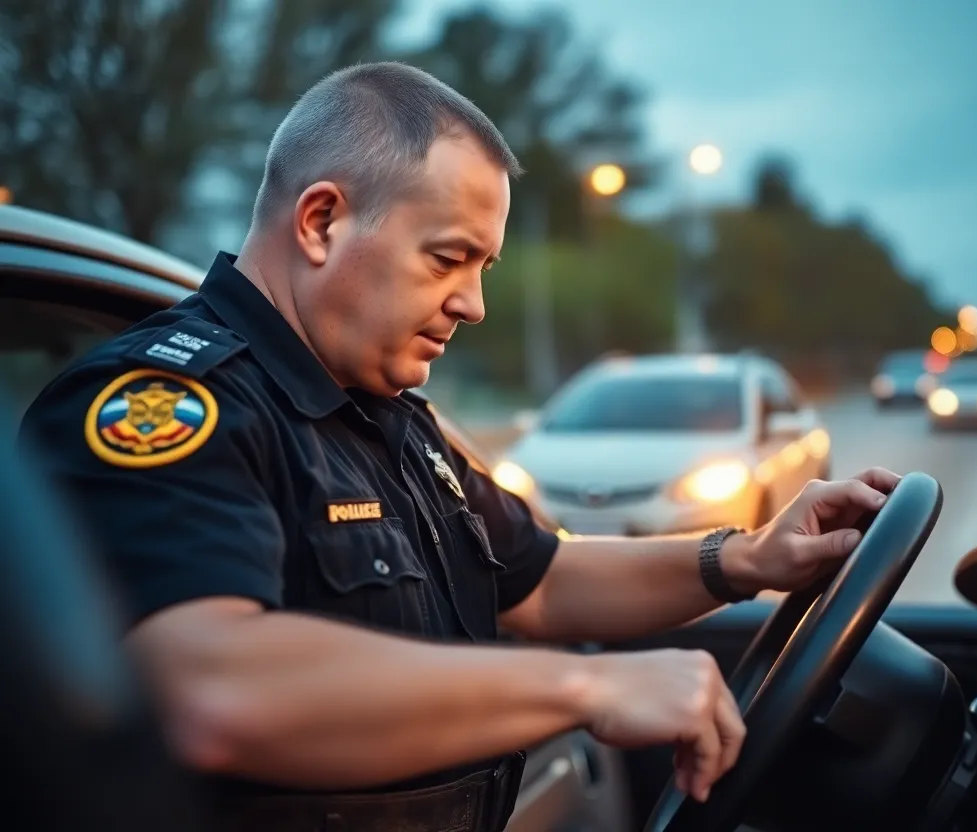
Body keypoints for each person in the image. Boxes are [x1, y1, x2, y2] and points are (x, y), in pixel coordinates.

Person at [18, 62, 899, 832]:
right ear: (321, 221)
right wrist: (588, 690)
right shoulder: (167, 405)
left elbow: (543, 580)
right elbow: (208, 686)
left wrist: (746, 557)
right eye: (449, 258)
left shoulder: (389, 418)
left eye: (485, 268)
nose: (473, 304)